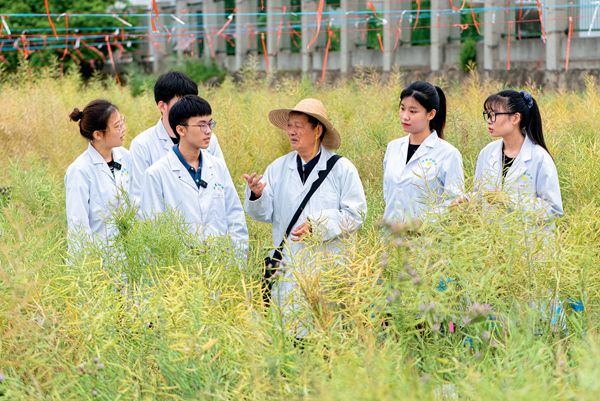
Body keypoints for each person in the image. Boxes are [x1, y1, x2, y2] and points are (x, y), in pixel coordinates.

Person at [243, 98, 367, 337]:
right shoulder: (278, 168)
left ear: (317, 129)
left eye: (298, 125)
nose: (291, 131)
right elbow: (264, 213)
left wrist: (317, 225)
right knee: (292, 338)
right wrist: (257, 194)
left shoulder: (342, 169)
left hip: (328, 272)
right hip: (288, 270)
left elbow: (356, 214)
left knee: (327, 339)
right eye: (289, 125)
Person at [140, 95, 248, 257]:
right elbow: (153, 232)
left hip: (221, 269)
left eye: (210, 123)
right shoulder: (156, 174)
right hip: (179, 272)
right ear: (181, 130)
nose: (208, 131)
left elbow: (235, 217)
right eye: (201, 125)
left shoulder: (216, 166)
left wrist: (238, 263)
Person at [129, 71, 225, 204]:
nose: (188, 107)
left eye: (192, 100)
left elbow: (222, 185)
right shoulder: (142, 145)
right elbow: (139, 199)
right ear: (162, 106)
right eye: (182, 102)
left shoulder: (209, 140)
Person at [474, 89, 563, 220]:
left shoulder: (540, 158)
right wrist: (466, 200)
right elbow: (480, 195)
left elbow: (554, 209)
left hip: (528, 238)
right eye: (487, 115)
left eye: (493, 114)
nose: (489, 120)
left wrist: (510, 200)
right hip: (492, 236)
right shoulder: (486, 153)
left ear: (515, 118)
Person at [383, 81, 464, 224]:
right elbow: (389, 194)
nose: (405, 116)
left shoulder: (448, 154)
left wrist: (422, 222)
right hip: (391, 238)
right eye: (402, 109)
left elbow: (454, 203)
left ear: (431, 114)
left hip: (428, 240)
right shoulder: (393, 148)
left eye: (413, 111)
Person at [65, 99, 131, 253]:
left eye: (122, 122)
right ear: (98, 134)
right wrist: (90, 269)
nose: (123, 129)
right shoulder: (80, 171)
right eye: (117, 126)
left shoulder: (125, 156)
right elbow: (78, 226)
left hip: (128, 256)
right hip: (99, 260)